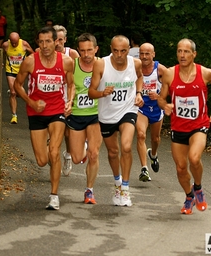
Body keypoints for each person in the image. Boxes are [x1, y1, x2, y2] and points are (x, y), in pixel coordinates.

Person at [158, 38, 211, 215]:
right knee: (181, 167)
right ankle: (189, 196)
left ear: (194, 54)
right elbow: (161, 98)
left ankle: (198, 188)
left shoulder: (205, 73)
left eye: (186, 51)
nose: (182, 55)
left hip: (199, 125)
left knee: (194, 158)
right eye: (179, 51)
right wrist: (164, 105)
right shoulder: (170, 74)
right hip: (178, 127)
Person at [14, 26, 75, 210]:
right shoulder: (30, 62)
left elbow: (71, 85)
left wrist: (70, 102)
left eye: (48, 41)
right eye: (41, 42)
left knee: (54, 152)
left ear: (56, 41)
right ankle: (50, 146)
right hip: (36, 113)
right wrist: (31, 103)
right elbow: (17, 85)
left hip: (57, 110)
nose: (45, 45)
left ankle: (54, 196)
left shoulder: (66, 61)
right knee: (42, 160)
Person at [88, 35, 144, 207]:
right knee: (113, 152)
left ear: (129, 50)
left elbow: (139, 78)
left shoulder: (135, 63)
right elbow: (91, 92)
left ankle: (126, 189)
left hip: (128, 109)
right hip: (107, 113)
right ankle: (118, 182)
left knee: (126, 146)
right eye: (115, 51)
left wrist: (138, 93)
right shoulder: (101, 64)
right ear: (110, 49)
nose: (119, 55)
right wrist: (102, 93)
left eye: (123, 51)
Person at [66, 33, 102, 204]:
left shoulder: (103, 65)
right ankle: (84, 146)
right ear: (78, 51)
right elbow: (66, 86)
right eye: (82, 51)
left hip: (97, 115)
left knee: (94, 155)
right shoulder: (72, 65)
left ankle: (89, 191)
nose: (86, 55)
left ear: (96, 49)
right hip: (76, 115)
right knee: (76, 157)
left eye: (90, 50)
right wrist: (67, 102)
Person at [136, 43, 167, 182]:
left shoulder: (160, 70)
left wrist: (160, 97)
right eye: (142, 53)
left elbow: (173, 87)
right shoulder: (135, 68)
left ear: (153, 54)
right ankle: (144, 168)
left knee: (155, 139)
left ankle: (153, 154)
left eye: (147, 54)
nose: (144, 57)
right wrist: (136, 95)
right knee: (141, 135)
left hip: (156, 108)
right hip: (141, 107)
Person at [52, 25, 80, 176]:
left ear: (65, 40)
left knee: (68, 133)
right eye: (55, 39)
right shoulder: (46, 54)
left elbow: (81, 73)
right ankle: (52, 151)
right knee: (52, 130)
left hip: (68, 95)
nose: (57, 42)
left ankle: (68, 155)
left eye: (60, 39)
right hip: (52, 97)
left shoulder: (72, 54)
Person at [2, 32, 34, 124]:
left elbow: (32, 53)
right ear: (9, 40)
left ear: (19, 39)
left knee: (18, 92)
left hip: (21, 72)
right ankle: (14, 116)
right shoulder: (5, 45)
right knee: (13, 92)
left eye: (16, 42)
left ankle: (17, 92)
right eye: (13, 42)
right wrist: (1, 62)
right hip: (10, 70)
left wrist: (29, 64)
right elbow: (0, 53)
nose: (14, 44)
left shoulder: (24, 44)